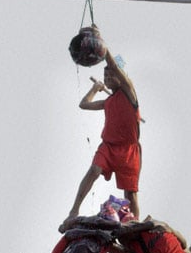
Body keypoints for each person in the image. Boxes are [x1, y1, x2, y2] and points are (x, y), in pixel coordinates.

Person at [61, 46, 142, 227]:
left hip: (129, 151)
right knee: (94, 170)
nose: (107, 79)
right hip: (109, 147)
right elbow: (84, 104)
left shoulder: (129, 93)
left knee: (130, 194)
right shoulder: (108, 101)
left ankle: (134, 226)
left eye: (111, 75)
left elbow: (113, 64)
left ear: (120, 78)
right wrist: (95, 88)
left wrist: (103, 48)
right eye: (105, 77)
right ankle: (73, 211)